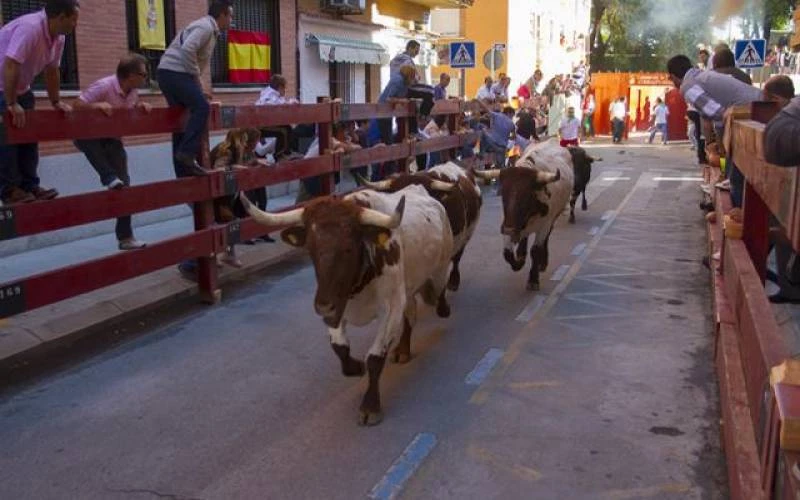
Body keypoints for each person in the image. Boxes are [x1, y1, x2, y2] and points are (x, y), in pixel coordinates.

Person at [0, 0, 79, 205]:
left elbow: (52, 69)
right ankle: (8, 190)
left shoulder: (58, 37)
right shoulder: (30, 28)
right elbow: (11, 64)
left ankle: (29, 185)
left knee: (29, 136)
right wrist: (11, 103)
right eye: (74, 19)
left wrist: (55, 101)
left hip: (22, 88)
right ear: (61, 17)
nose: (75, 25)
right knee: (7, 137)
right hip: (3, 87)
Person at [73, 54, 152, 251]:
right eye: (143, 74)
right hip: (89, 134)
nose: (146, 78)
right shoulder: (104, 86)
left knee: (124, 186)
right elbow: (77, 105)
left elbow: (129, 109)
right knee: (110, 174)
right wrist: (96, 105)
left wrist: (141, 107)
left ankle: (125, 237)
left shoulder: (133, 93)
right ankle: (108, 176)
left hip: (112, 139)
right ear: (131, 75)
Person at [667, 54, 761, 208]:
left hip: (749, 115)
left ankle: (736, 212)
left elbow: (716, 112)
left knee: (736, 175)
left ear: (673, 76)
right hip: (756, 109)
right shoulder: (700, 76)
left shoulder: (687, 86)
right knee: (735, 170)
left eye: (670, 79)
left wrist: (715, 140)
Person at [157, 0, 233, 179]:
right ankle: (187, 154)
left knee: (181, 118)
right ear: (222, 15)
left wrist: (196, 86)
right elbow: (187, 49)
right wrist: (196, 82)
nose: (231, 20)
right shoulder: (206, 27)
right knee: (202, 107)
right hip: (174, 73)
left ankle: (182, 169)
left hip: (168, 73)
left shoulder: (210, 29)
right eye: (230, 16)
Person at [475, 100, 516, 168]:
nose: (512, 117)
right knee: (500, 168)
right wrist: (506, 138)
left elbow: (486, 109)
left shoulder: (497, 115)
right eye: (512, 115)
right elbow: (513, 137)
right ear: (509, 113)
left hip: (492, 144)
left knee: (483, 132)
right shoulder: (512, 124)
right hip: (501, 148)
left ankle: (481, 154)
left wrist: (478, 101)